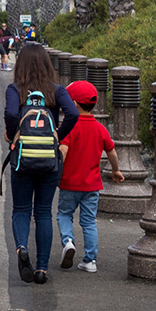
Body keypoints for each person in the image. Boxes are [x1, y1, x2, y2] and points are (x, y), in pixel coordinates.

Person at [4, 43, 78, 284]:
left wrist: (12, 132)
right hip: (48, 158)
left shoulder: (15, 89)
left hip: (22, 159)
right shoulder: (56, 90)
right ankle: (42, 269)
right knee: (44, 212)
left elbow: (13, 115)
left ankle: (22, 248)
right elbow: (73, 113)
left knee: (21, 210)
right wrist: (57, 134)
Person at [55, 79, 124, 272]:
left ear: (74, 104)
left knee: (64, 214)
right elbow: (111, 151)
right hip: (92, 185)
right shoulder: (99, 128)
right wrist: (115, 170)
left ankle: (68, 241)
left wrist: (56, 170)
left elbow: (63, 150)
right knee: (88, 221)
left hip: (69, 183)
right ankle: (90, 260)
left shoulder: (70, 126)